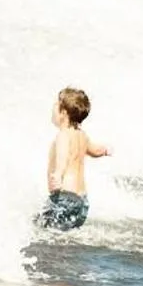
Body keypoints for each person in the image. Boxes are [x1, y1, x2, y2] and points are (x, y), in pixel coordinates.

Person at [39, 87, 108, 232]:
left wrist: (58, 173)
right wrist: (105, 151)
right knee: (63, 235)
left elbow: (63, 155)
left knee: (40, 228)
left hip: (64, 198)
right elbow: (95, 151)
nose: (53, 107)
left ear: (63, 113)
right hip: (82, 202)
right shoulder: (82, 135)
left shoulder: (63, 135)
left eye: (56, 104)